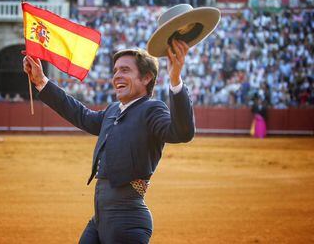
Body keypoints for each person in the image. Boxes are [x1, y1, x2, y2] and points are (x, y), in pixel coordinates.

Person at [23, 40, 195, 243]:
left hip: (127, 219)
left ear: (147, 78)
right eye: (115, 71)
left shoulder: (152, 109)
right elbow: (81, 114)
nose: (117, 76)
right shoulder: (114, 110)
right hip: (101, 217)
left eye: (125, 70)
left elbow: (182, 132)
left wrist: (175, 81)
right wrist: (42, 81)